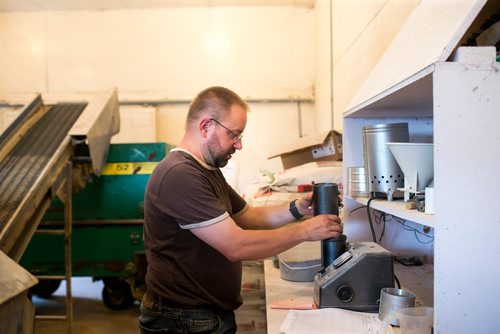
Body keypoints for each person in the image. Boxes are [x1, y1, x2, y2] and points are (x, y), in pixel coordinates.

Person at [138, 86, 343, 334]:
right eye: (234, 135)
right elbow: (237, 246)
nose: (239, 145)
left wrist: (297, 209)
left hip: (202, 315)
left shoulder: (206, 171)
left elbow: (248, 216)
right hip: (183, 319)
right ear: (205, 126)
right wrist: (304, 232)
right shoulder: (180, 174)